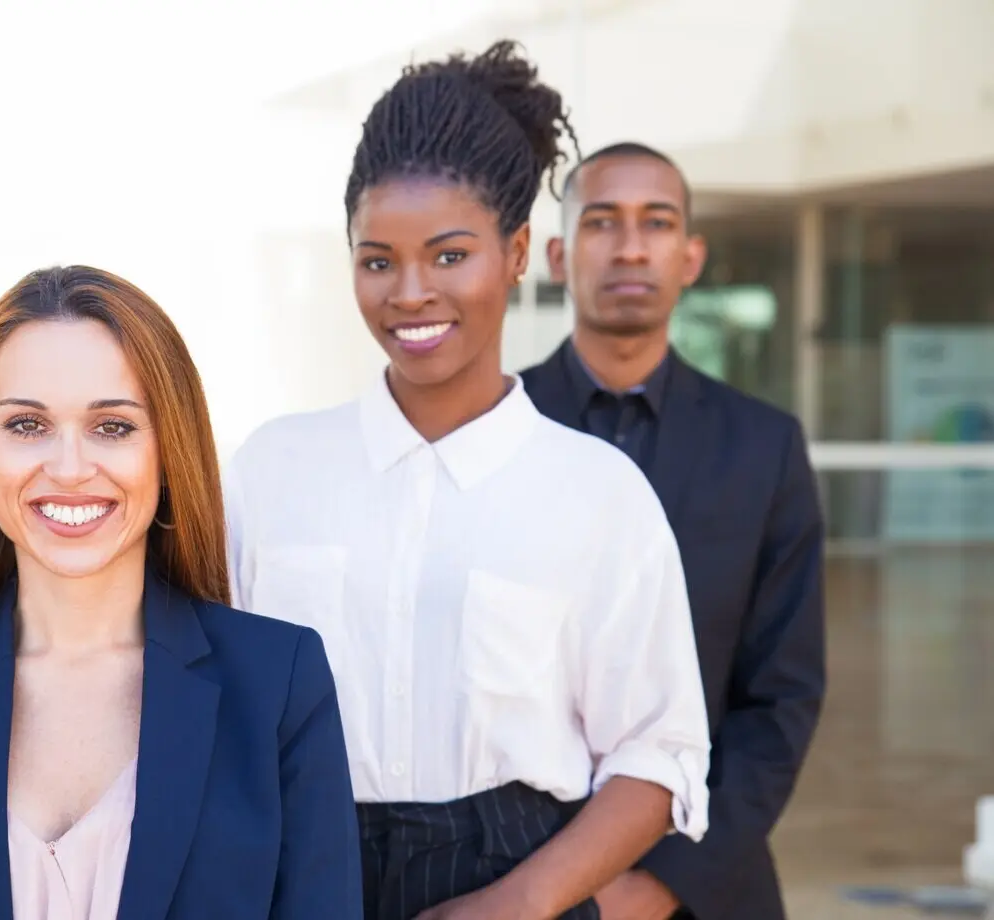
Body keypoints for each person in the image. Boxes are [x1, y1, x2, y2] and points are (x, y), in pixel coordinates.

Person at [225, 42, 712, 920]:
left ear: (518, 251)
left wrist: (524, 902)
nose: (410, 292)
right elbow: (212, 705)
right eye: (377, 261)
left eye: (449, 256)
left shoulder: (599, 493)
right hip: (298, 881)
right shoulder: (272, 470)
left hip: (524, 882)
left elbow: (659, 753)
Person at [0, 266, 363, 920]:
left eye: (112, 427)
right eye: (27, 425)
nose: (67, 468)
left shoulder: (278, 687)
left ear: (168, 451)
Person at [520, 142, 826, 920]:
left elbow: (780, 699)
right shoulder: (491, 432)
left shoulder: (764, 447)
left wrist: (658, 885)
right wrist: (554, 887)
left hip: (708, 887)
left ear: (690, 257)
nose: (630, 246)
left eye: (656, 223)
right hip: (515, 877)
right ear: (557, 254)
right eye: (602, 222)